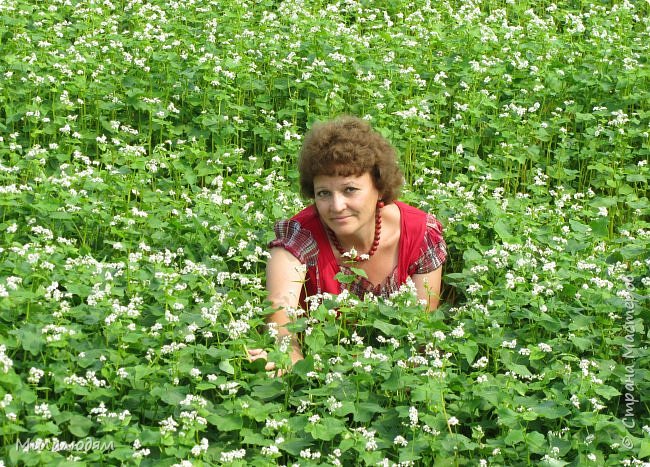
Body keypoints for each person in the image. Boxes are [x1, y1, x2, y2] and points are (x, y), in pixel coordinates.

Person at [248, 116, 447, 372]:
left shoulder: (420, 234)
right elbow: (280, 319)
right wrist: (291, 359)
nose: (337, 206)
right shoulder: (298, 237)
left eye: (350, 190)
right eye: (324, 193)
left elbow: (421, 331)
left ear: (379, 186)